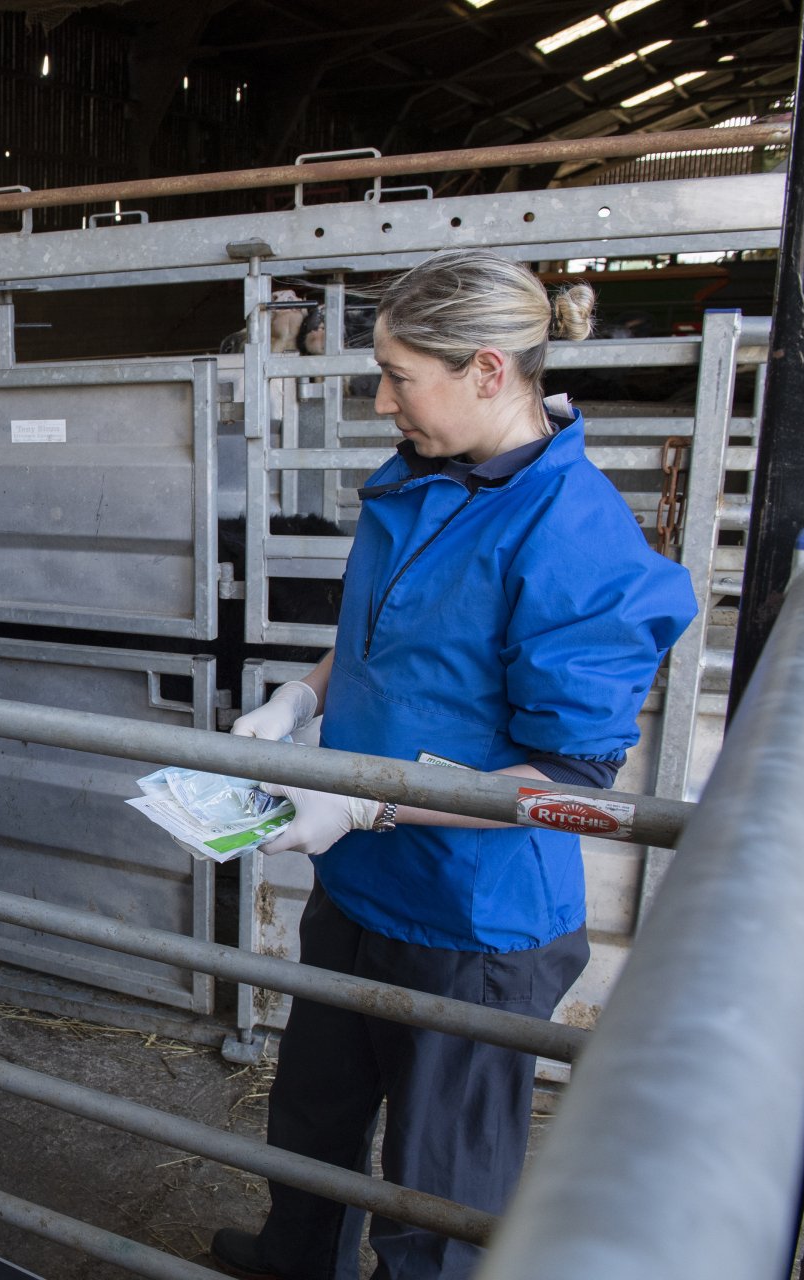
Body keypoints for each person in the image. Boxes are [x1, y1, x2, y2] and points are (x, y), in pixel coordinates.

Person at [209, 250, 696, 1280]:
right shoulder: (421, 475)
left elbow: (564, 782)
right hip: (361, 885)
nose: (381, 399)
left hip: (475, 921)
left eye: (397, 375)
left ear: (485, 368)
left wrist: (361, 809)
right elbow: (381, 634)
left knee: (437, 1194)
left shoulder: (576, 537)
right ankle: (296, 1260)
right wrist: (301, 698)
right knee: (313, 1118)